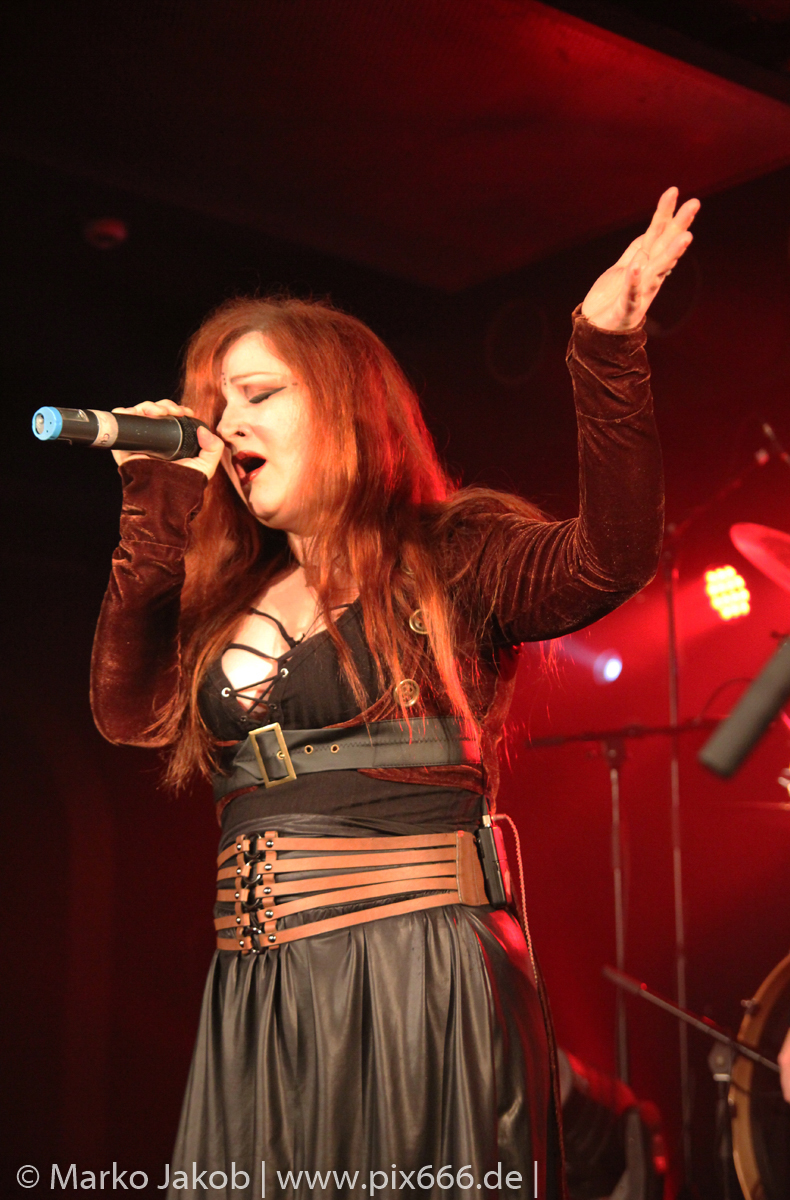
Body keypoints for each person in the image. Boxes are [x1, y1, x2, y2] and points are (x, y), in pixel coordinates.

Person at [91, 188, 698, 1199]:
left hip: (416, 976)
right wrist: (154, 513)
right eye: (217, 406)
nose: (228, 424)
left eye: (256, 394)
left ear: (339, 405)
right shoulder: (229, 595)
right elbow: (129, 714)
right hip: (260, 995)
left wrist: (604, 350)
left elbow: (609, 558)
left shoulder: (451, 555)